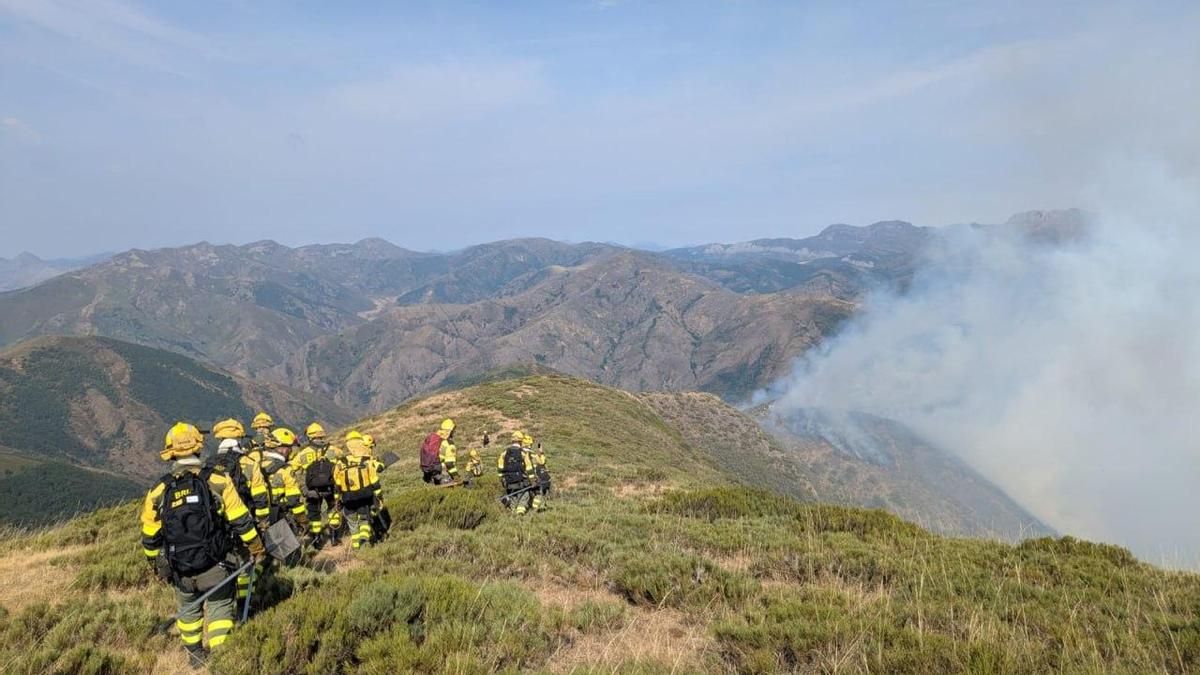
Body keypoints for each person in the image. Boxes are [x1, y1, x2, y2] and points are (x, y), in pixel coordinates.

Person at [141, 422, 264, 660]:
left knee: (188, 610)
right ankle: (220, 659)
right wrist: (255, 547)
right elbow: (241, 520)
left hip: (180, 567)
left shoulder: (158, 490)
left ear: (171, 451)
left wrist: (156, 566)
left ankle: (195, 657)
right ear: (199, 446)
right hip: (215, 564)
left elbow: (149, 536)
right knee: (219, 607)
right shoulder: (216, 479)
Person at [206, 418, 258, 611]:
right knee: (246, 564)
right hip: (243, 522)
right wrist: (260, 523)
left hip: (218, 528)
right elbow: (260, 497)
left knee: (224, 565)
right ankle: (245, 603)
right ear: (239, 438)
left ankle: (227, 602)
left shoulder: (208, 465)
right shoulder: (248, 463)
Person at [291, 422, 343, 548]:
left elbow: (292, 470)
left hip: (312, 490)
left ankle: (317, 541)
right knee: (333, 511)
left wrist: (301, 486)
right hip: (331, 488)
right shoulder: (334, 450)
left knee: (314, 514)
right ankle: (334, 537)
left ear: (309, 437)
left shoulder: (303, 454)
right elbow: (342, 462)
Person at [336, 431, 382, 551]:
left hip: (347, 499)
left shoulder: (341, 462)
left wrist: (337, 500)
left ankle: (356, 548)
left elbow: (337, 483)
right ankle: (364, 540)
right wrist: (379, 496)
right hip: (364, 497)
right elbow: (374, 481)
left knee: (352, 524)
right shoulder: (366, 460)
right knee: (364, 520)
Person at [262, 428, 308, 534]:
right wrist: (303, 521)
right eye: (289, 448)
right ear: (282, 448)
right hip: (279, 516)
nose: (291, 451)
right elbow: (294, 500)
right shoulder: (285, 469)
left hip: (260, 518)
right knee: (288, 548)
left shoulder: (257, 463)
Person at [497, 431, 536, 514]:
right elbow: (529, 468)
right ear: (521, 441)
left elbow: (500, 468)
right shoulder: (523, 453)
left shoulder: (504, 453)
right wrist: (532, 480)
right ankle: (520, 515)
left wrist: (501, 479)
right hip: (521, 482)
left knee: (512, 499)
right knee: (524, 497)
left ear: (512, 440)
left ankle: (513, 514)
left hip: (509, 482)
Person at [420, 419, 458, 485]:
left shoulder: (434, 438)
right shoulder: (448, 443)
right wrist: (456, 476)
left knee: (435, 492)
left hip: (429, 471)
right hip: (441, 471)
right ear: (450, 431)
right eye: (453, 431)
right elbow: (449, 464)